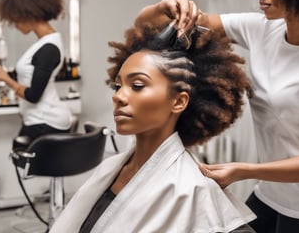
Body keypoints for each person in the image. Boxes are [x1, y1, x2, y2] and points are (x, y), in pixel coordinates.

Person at [50, 18, 256, 232]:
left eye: (137, 85)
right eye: (117, 86)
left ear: (178, 101)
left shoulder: (190, 188)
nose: (119, 97)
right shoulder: (111, 168)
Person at [133, 0, 299, 232]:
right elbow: (148, 25)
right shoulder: (261, 28)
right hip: (270, 194)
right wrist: (164, 7)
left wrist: (244, 170)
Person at [0, 0, 73, 146]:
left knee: (24, 159)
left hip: (46, 122)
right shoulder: (45, 43)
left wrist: (6, 79)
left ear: (29, 14)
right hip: (40, 120)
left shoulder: (48, 48)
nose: (15, 25)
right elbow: (29, 75)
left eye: (16, 19)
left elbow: (33, 95)